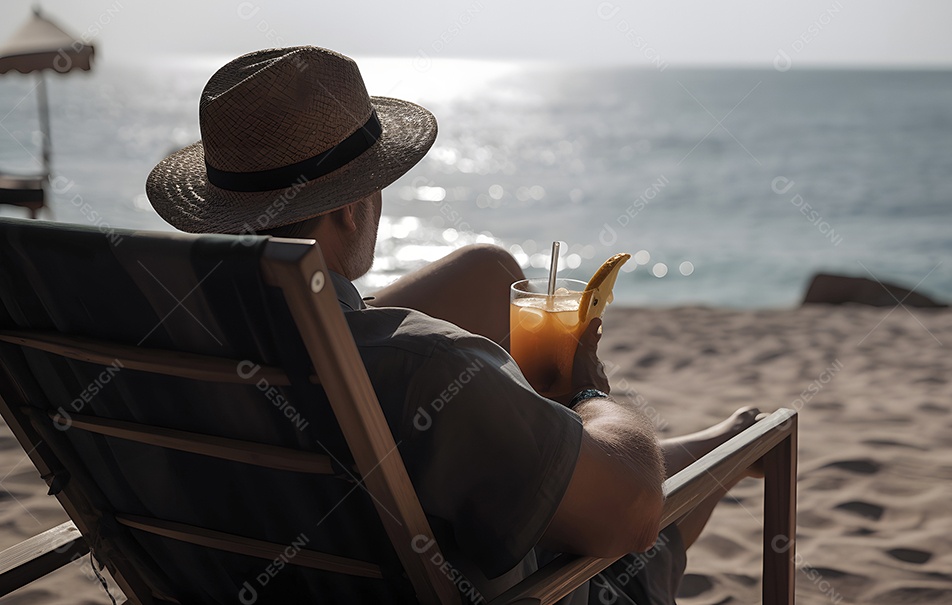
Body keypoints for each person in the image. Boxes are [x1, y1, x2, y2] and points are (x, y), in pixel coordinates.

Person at [145, 46, 762, 604]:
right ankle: (722, 441)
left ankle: (640, 440)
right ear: (349, 209)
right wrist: (590, 392)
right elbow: (634, 514)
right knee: (715, 463)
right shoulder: (428, 365)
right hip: (528, 581)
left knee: (488, 278)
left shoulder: (157, 348)